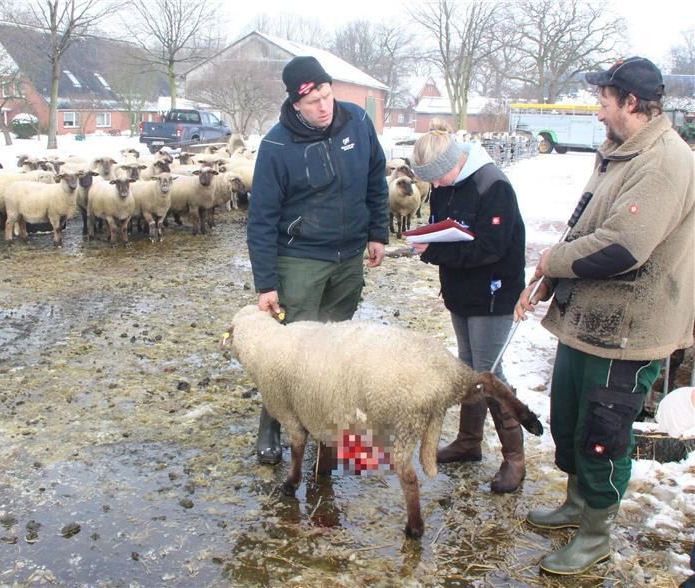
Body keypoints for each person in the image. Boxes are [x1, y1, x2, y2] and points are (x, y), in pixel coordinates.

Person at [515, 56, 695, 576]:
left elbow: (623, 247)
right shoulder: (619, 153)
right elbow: (586, 225)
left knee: (603, 430)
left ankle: (596, 534)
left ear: (631, 102)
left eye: (604, 100)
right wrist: (550, 277)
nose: (597, 110)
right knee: (570, 417)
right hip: (589, 320)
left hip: (628, 329)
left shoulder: (663, 160)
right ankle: (577, 504)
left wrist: (552, 261)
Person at [246, 55, 389, 464]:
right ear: (296, 104)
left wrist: (377, 232)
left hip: (347, 257)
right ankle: (272, 424)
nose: (324, 107)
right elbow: (261, 219)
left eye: (327, 96)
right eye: (313, 103)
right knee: (293, 346)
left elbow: (375, 179)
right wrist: (266, 284)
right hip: (301, 257)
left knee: (334, 343)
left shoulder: (358, 123)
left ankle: (324, 420)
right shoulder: (277, 145)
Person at [410, 123, 527, 493]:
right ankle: (469, 440)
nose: (437, 187)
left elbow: (491, 248)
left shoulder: (493, 186)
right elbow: (444, 227)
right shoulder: (448, 184)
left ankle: (515, 458)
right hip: (461, 289)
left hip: (493, 291)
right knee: (467, 367)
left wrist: (436, 251)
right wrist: (429, 246)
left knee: (489, 372)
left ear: (454, 160)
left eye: (439, 177)